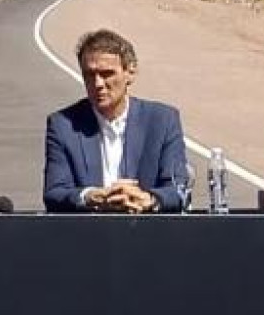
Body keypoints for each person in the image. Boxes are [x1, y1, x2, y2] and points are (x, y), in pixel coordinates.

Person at [43, 29, 184, 213]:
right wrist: (91, 196)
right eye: (89, 75)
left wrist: (148, 200)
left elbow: (179, 191)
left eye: (107, 74)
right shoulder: (63, 125)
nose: (98, 84)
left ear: (130, 73)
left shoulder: (162, 120)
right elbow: (54, 193)